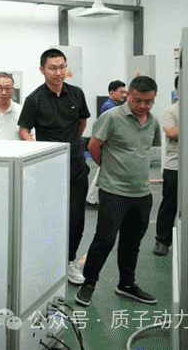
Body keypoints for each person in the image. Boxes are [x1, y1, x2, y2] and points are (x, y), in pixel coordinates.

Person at [75, 76, 161, 306]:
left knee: (132, 243)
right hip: (114, 192)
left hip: (142, 193)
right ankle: (88, 284)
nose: (143, 106)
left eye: (149, 102)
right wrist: (109, 168)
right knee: (104, 240)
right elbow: (93, 146)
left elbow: (148, 150)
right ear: (128, 95)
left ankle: (126, 284)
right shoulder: (111, 117)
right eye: (138, 100)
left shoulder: (153, 122)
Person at [18, 49, 91, 285]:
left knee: (76, 218)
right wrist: (40, 150)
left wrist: (72, 144)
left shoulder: (77, 94)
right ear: (42, 70)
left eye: (62, 67)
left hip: (76, 168)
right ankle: (47, 261)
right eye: (52, 68)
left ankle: (69, 261)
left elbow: (82, 124)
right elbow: (24, 130)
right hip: (48, 171)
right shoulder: (34, 99)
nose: (58, 72)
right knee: (47, 219)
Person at [86, 80, 127, 206]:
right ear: (112, 92)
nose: (124, 95)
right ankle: (91, 198)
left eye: (124, 92)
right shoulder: (110, 107)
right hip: (108, 144)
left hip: (107, 142)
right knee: (102, 170)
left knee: (102, 170)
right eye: (121, 92)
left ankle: (91, 198)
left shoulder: (111, 104)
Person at [154, 76, 179, 256]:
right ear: (177, 89)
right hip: (174, 166)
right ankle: (162, 241)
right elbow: (171, 132)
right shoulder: (170, 110)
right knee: (169, 203)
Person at [0, 72, 22, 141]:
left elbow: (30, 136)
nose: (4, 92)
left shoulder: (21, 111)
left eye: (8, 88)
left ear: (13, 90)